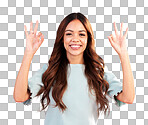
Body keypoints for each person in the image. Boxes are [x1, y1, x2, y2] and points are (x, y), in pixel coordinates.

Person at [13, 12, 135, 125]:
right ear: (62, 38)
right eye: (69, 34)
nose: (75, 39)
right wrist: (28, 53)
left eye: (81, 34)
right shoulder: (51, 69)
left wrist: (123, 54)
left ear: (88, 39)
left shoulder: (98, 71)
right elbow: (19, 97)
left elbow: (128, 98)